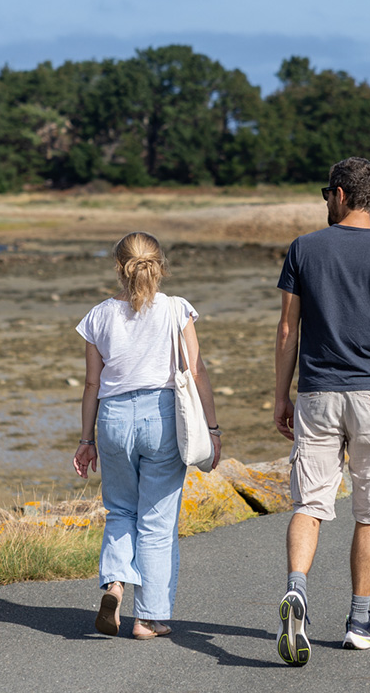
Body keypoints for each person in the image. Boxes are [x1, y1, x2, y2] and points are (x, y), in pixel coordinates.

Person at [273, 157, 370, 666]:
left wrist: (281, 395)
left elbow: (287, 331)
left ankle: (297, 590)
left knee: (309, 504)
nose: (326, 201)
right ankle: (359, 620)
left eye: (327, 193)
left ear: (340, 194)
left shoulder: (303, 249)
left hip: (317, 394)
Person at [73, 231, 222, 640]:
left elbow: (91, 384)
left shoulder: (98, 316)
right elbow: (197, 371)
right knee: (157, 521)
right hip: (162, 418)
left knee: (121, 510)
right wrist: (212, 428)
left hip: (114, 420)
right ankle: (148, 619)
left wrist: (86, 440)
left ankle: (115, 583)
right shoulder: (177, 309)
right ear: (160, 266)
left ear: (118, 267)